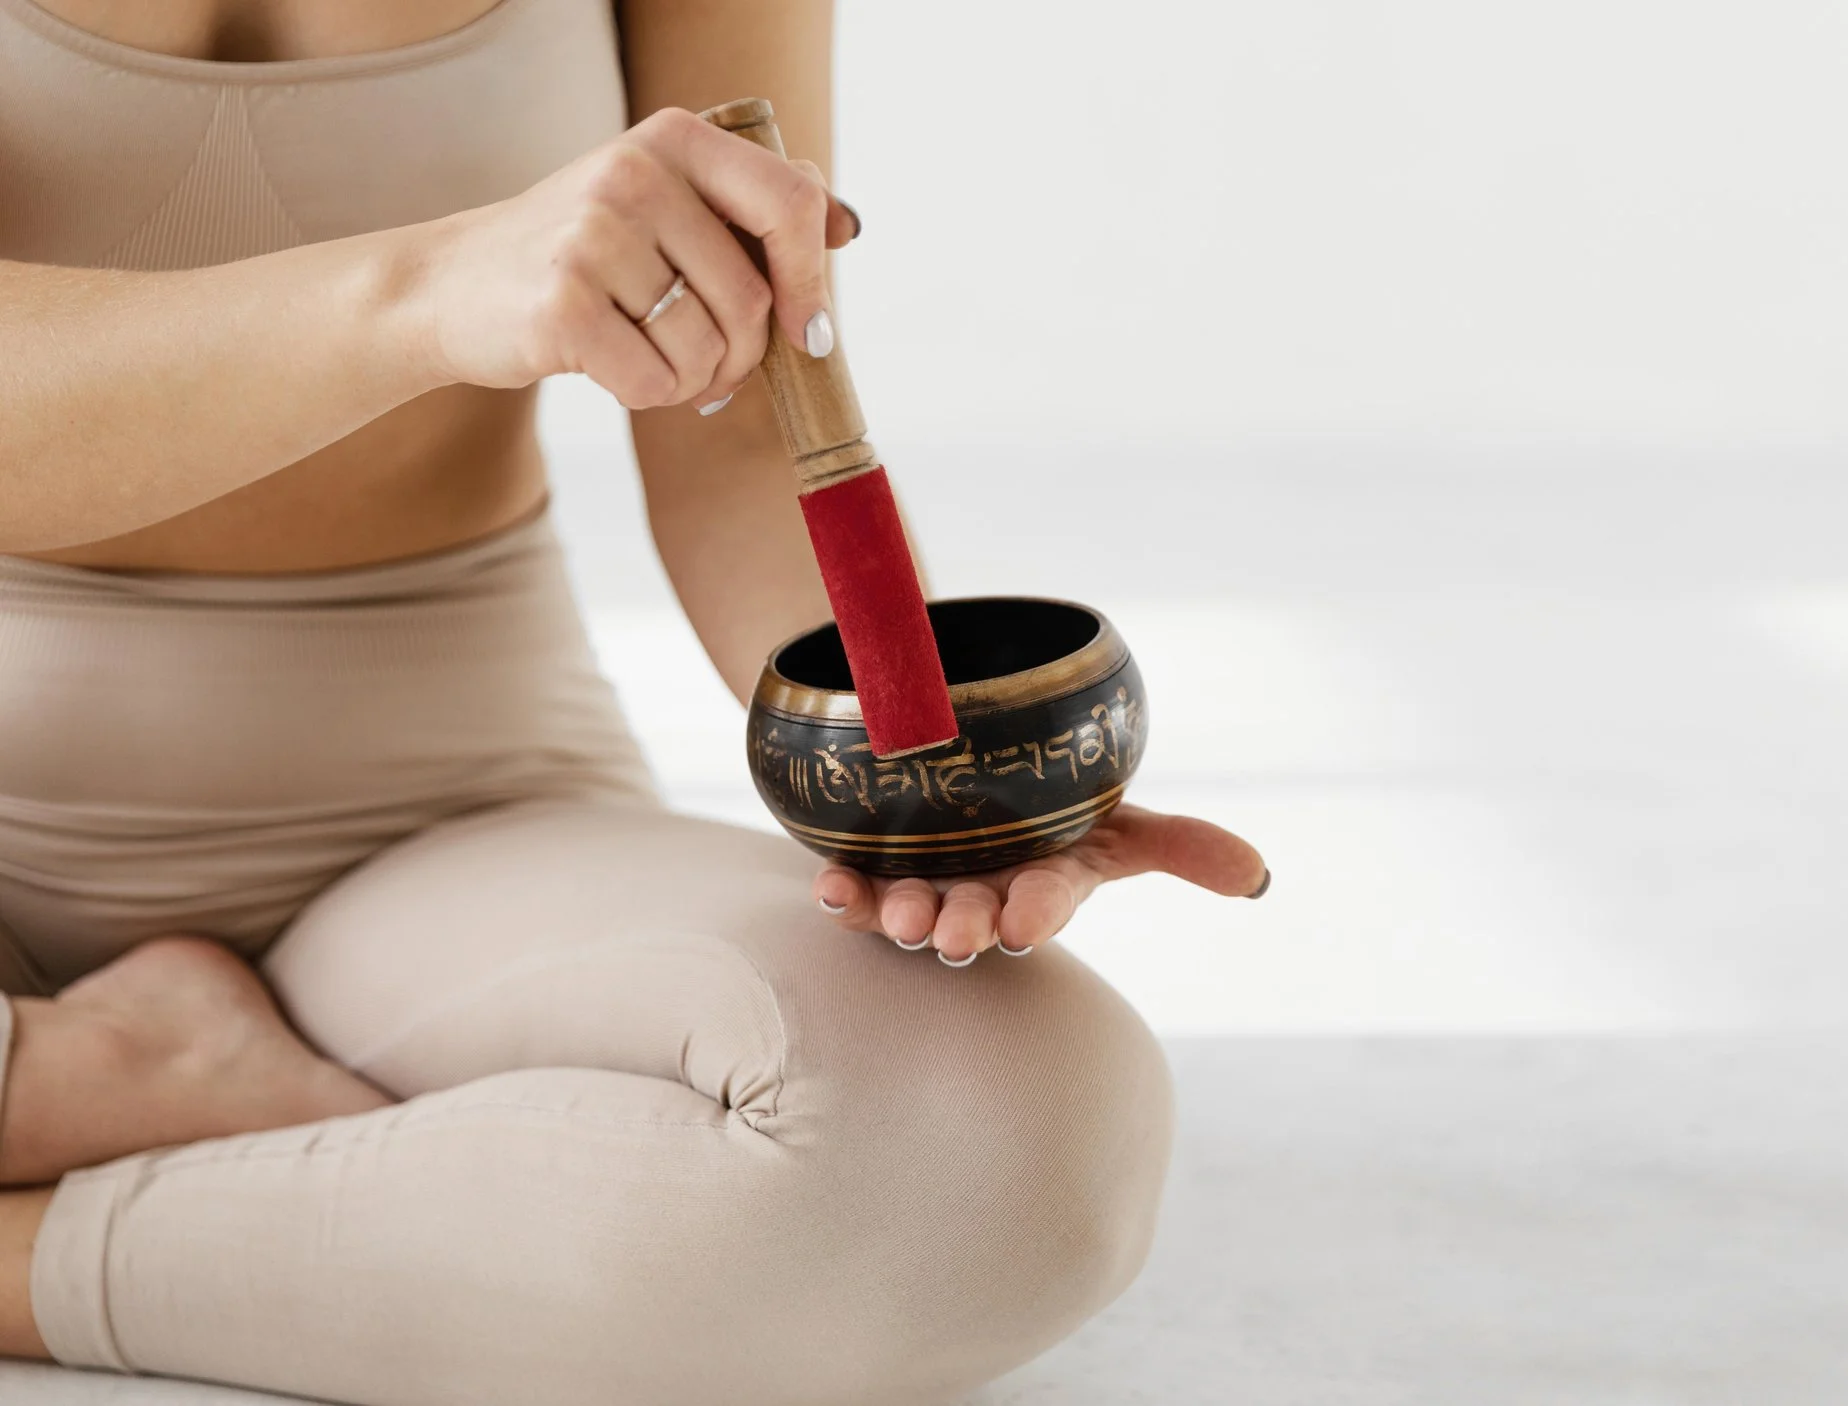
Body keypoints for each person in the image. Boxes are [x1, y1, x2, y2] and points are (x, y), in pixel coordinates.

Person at [0, 0, 1267, 1400]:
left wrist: (925, 780)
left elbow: (743, 437)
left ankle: (35, 1222)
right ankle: (92, 1096)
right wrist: (426, 288)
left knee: (1008, 1136)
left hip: (439, 818)